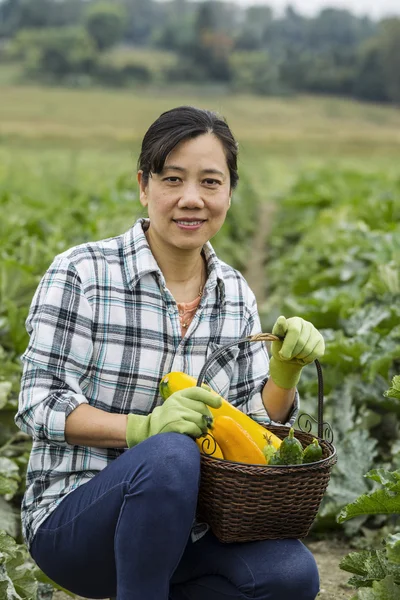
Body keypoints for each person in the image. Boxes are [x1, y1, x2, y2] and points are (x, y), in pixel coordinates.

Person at [15, 106, 325, 600]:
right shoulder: (82, 274)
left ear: (229, 193)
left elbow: (250, 432)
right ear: (144, 186)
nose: (191, 199)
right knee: (170, 455)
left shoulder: (234, 293)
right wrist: (143, 430)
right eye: (173, 179)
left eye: (210, 182)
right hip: (74, 522)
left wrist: (284, 373)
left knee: (289, 575)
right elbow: (38, 404)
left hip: (190, 531)